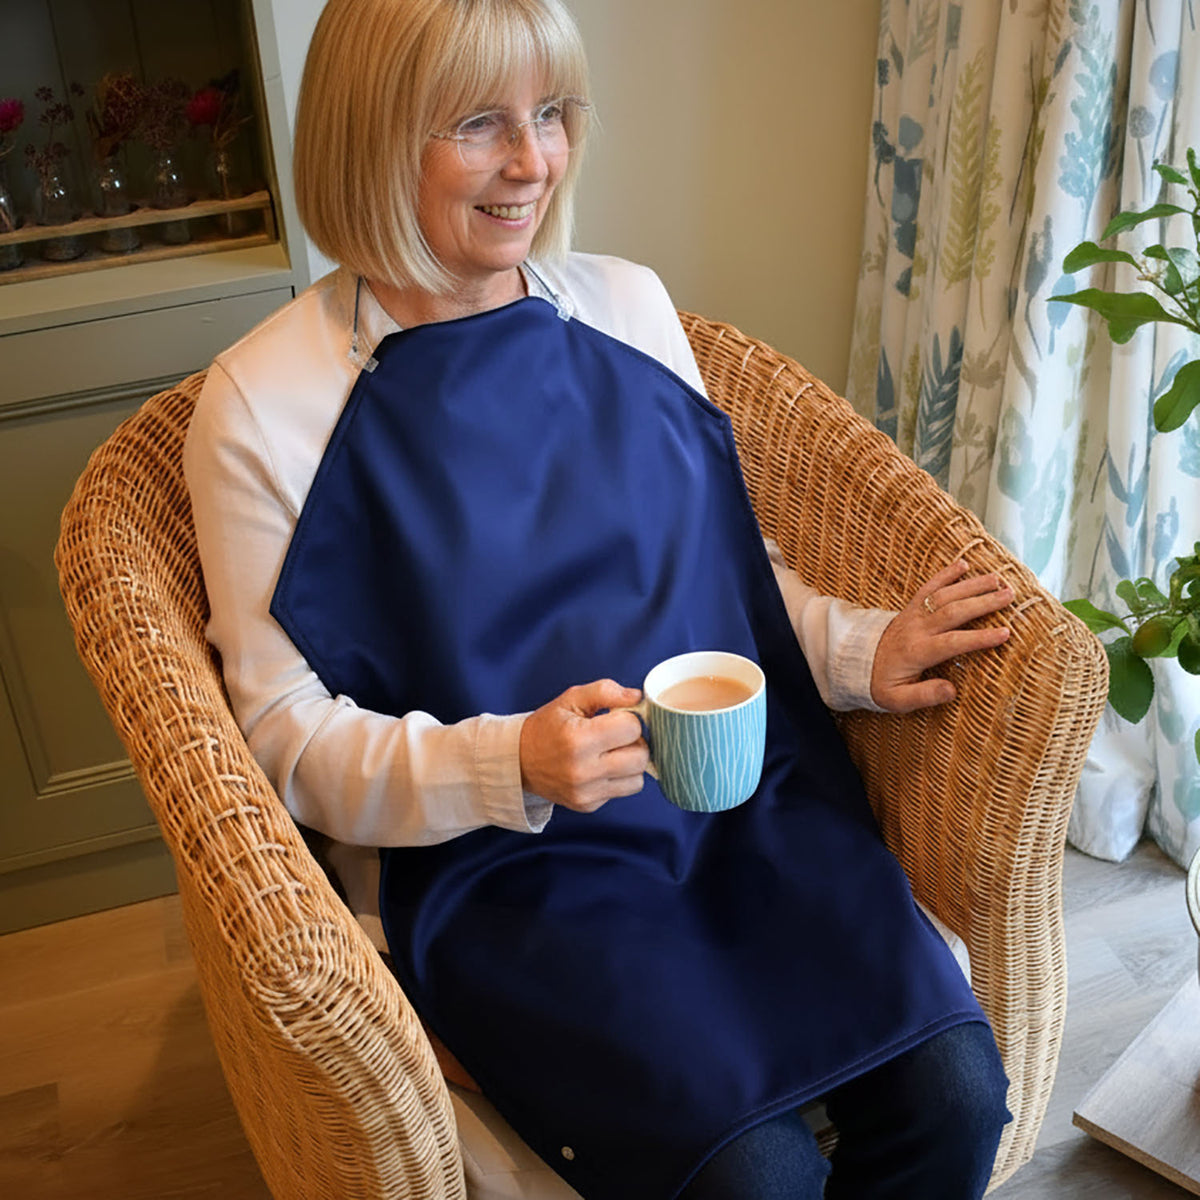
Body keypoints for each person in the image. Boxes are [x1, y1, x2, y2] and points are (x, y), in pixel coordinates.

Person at [183, 0, 1014, 1196]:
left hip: (734, 808)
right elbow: (281, 739)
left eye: (553, 114)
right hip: (503, 871)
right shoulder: (263, 406)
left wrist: (852, 652)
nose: (534, 161)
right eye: (480, 124)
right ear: (371, 136)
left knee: (954, 1096)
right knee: (752, 1176)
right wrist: (510, 762)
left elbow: (728, 569)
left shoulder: (625, 303)